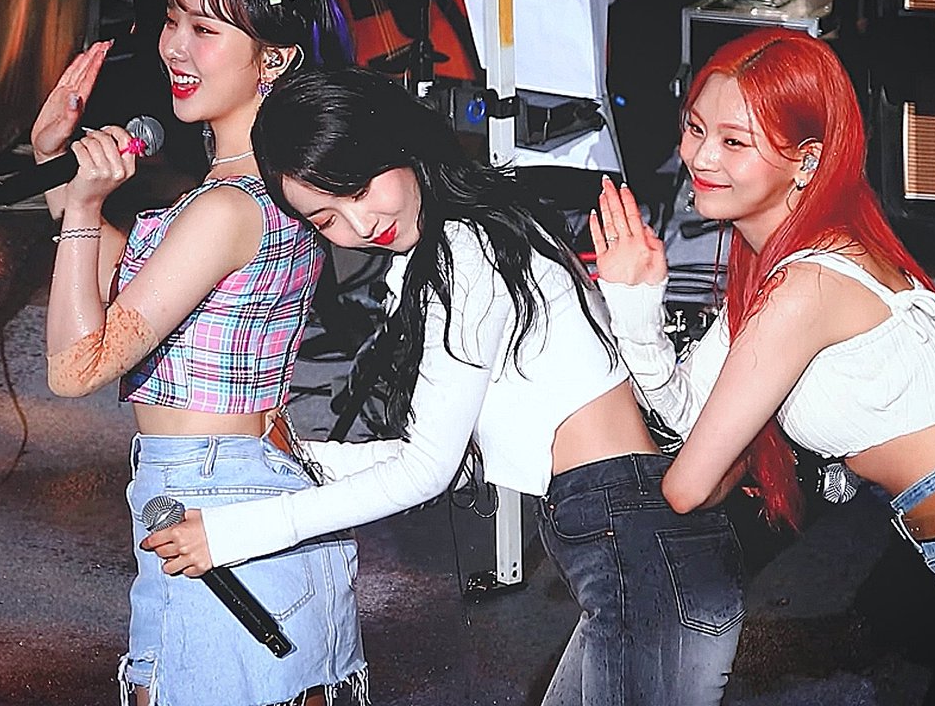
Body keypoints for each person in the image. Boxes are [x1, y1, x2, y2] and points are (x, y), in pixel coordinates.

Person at [143, 66, 747, 706]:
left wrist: (231, 535)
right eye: (325, 218)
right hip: (630, 539)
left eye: (358, 188)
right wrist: (311, 460)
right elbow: (454, 455)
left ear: (398, 143)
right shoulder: (478, 231)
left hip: (632, 542)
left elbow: (426, 472)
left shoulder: (464, 253)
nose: (359, 223)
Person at [589, 27, 935, 705]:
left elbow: (688, 486)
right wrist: (636, 306)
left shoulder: (806, 288)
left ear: (806, 161)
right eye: (696, 128)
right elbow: (694, 419)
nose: (700, 156)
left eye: (734, 141)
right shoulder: (798, 268)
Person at [34, 0, 367, 706]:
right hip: (226, 488)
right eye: (171, 19)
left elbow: (76, 366)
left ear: (273, 59)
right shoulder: (260, 189)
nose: (174, 47)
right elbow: (120, 277)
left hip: (216, 501)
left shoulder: (224, 209)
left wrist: (82, 206)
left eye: (205, 29)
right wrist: (55, 160)